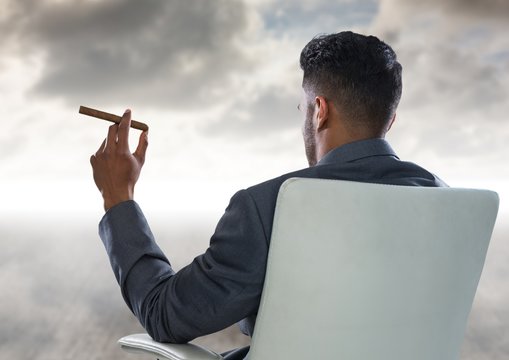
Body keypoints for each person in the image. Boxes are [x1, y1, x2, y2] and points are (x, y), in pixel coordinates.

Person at [90, 31, 446, 359]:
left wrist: (118, 198)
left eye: (302, 109)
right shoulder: (444, 202)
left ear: (319, 111)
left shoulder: (271, 207)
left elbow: (164, 314)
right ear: (391, 119)